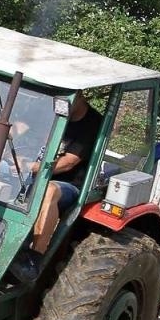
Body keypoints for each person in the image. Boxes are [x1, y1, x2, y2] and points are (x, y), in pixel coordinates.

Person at [14, 92, 102, 281]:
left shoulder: (92, 123)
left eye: (67, 97)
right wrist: (5, 140)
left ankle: (34, 258)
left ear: (80, 96)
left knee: (48, 190)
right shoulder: (45, 108)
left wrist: (29, 166)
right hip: (28, 172)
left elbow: (68, 162)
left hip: (67, 185)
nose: (59, 103)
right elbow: (18, 128)